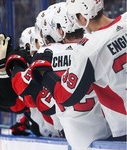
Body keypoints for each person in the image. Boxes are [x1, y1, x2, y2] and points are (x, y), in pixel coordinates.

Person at [28, 0, 127, 140]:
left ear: (82, 16)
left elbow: (65, 96)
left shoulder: (89, 48)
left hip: (123, 129)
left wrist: (44, 73)